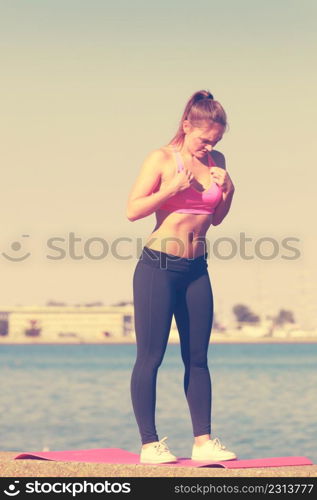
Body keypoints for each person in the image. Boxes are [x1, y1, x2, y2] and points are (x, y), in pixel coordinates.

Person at [126, 90, 236, 464]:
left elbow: (216, 218)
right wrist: (171, 188)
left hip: (196, 269)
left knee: (198, 357)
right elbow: (132, 210)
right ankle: (149, 444)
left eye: (216, 141)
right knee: (151, 357)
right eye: (205, 139)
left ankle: (203, 441)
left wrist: (229, 190)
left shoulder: (217, 161)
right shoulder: (161, 158)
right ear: (187, 125)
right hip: (158, 267)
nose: (209, 147)